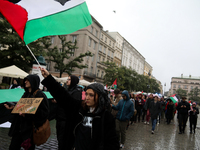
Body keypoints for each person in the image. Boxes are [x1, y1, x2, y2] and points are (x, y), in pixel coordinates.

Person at [40, 68, 119, 150]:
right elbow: (62, 96)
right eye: (86, 94)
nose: (87, 97)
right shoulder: (79, 108)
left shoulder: (106, 117)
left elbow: (112, 143)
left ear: (100, 97)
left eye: (91, 95)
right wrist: (48, 77)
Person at [4, 74, 49, 150]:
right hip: (19, 128)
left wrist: (27, 115)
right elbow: (21, 108)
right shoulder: (25, 94)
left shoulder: (40, 95)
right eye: (25, 80)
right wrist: (12, 107)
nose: (25, 82)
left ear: (33, 81)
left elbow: (44, 113)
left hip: (30, 130)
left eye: (28, 80)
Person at [55, 75, 82, 150]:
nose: (67, 80)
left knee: (64, 141)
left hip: (67, 121)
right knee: (60, 140)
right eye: (67, 79)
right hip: (60, 118)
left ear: (73, 81)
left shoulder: (77, 91)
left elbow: (72, 106)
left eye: (69, 79)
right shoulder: (67, 89)